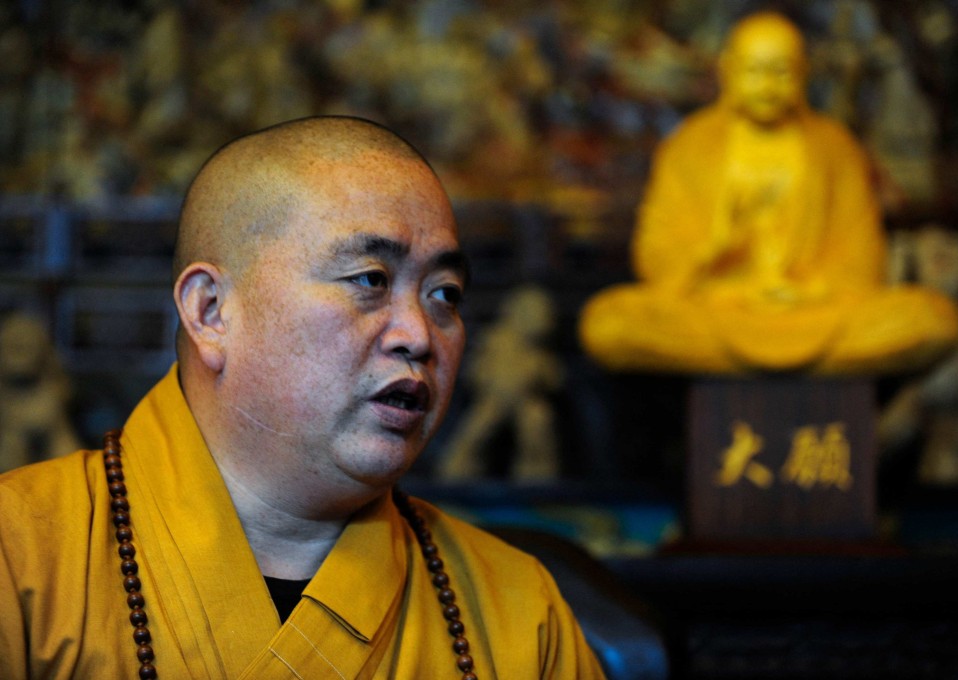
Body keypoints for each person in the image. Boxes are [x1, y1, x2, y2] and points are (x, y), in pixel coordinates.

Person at [0, 116, 605, 679]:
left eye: (444, 294)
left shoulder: (519, 612)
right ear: (211, 311)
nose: (420, 334)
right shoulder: (22, 555)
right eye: (370, 280)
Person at [578, 11, 958, 376]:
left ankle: (771, 365)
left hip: (815, 312)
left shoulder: (833, 146)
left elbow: (862, 257)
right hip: (716, 311)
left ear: (803, 74)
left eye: (780, 71)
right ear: (727, 71)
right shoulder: (691, 147)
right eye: (753, 70)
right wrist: (714, 247)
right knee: (609, 325)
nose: (767, 84)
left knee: (935, 320)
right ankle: (797, 367)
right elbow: (655, 255)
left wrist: (814, 289)